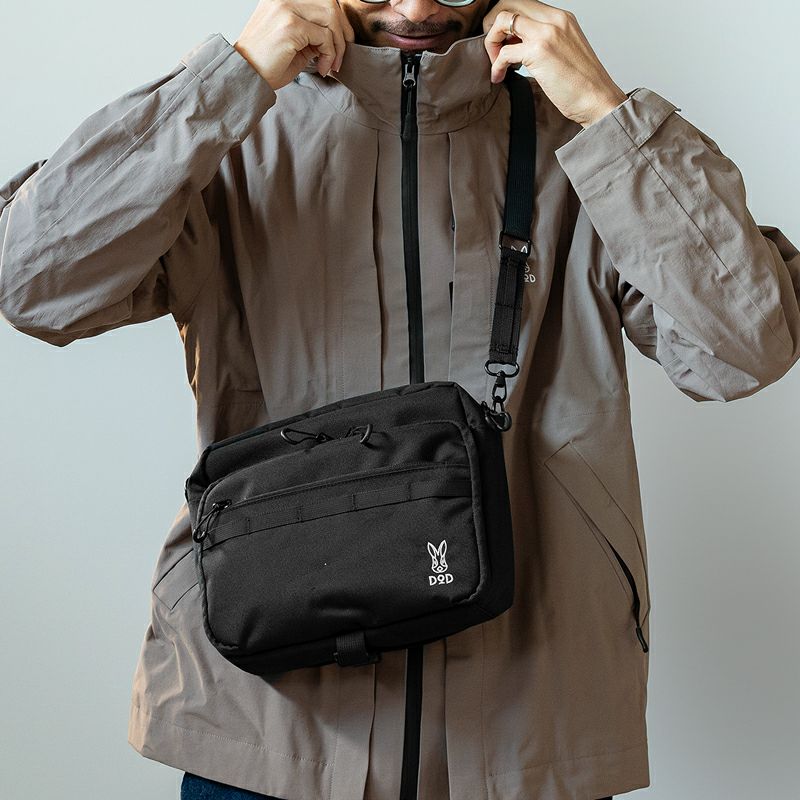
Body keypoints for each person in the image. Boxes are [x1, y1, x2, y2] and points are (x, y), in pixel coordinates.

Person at [1, 0, 798, 798]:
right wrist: (224, 83)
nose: (416, 8)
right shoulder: (229, 133)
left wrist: (610, 115)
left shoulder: (587, 149)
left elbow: (747, 347)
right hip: (265, 722)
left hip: (530, 727)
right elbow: (31, 281)